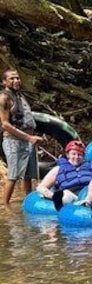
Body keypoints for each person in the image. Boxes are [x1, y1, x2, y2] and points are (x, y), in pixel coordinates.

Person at [1, 69, 44, 205]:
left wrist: (33, 137)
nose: (16, 81)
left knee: (28, 175)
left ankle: (28, 202)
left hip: (28, 140)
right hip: (13, 141)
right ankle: (6, 206)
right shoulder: (3, 98)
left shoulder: (19, 95)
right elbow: (5, 124)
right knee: (13, 176)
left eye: (17, 78)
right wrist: (28, 138)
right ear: (4, 82)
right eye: (12, 78)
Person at [36, 140, 92, 210]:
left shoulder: (91, 167)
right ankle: (61, 202)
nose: (76, 157)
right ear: (68, 155)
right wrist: (51, 195)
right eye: (73, 154)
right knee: (66, 195)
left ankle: (90, 203)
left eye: (79, 155)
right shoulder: (58, 169)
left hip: (87, 193)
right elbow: (41, 187)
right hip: (70, 194)